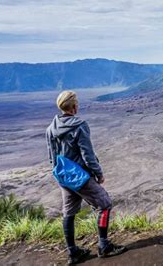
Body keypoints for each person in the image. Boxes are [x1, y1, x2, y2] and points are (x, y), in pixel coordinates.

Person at [46, 90, 126, 264]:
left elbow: (51, 157)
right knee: (104, 204)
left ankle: (73, 252)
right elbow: (87, 154)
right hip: (80, 177)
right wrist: (98, 173)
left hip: (63, 176)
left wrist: (61, 176)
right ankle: (104, 246)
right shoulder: (79, 125)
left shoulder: (50, 129)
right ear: (74, 106)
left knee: (68, 213)